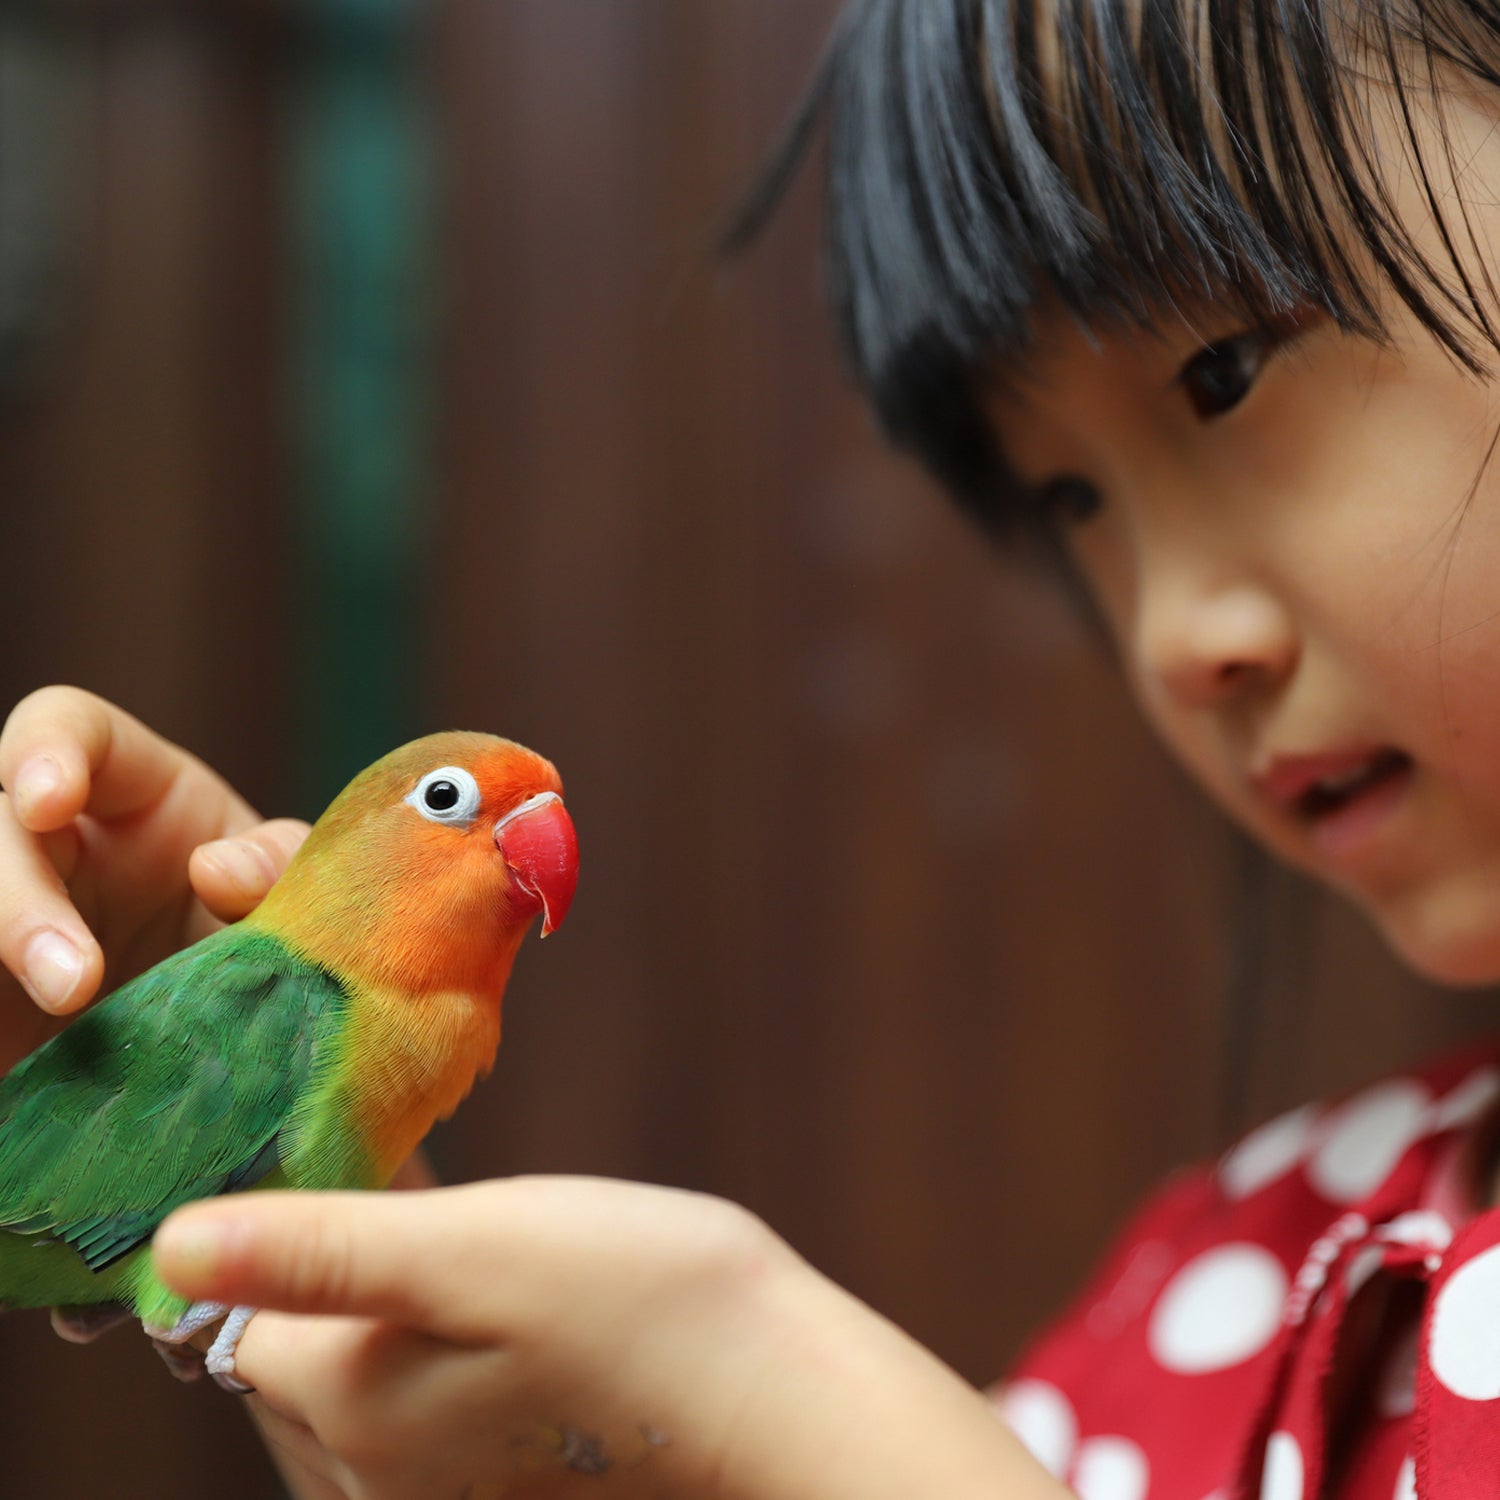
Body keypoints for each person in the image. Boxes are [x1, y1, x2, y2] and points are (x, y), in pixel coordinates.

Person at [4, 0, 1500, 1492]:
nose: (1174, 633)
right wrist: (228, 1155)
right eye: (1070, 503)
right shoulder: (1225, 1278)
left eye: (1223, 371)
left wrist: (761, 1394)